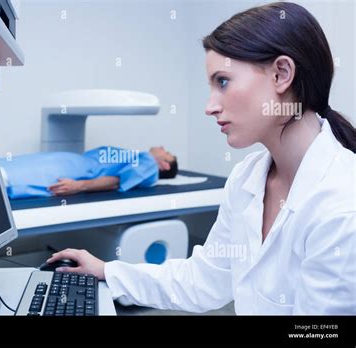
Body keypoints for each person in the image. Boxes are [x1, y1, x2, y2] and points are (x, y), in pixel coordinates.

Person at [46, 2, 356, 314]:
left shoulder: (342, 205)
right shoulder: (247, 177)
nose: (210, 106)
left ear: (281, 74)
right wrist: (108, 272)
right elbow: (205, 279)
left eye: (222, 81)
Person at [0, 146, 178, 198]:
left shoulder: (149, 165)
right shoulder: (144, 161)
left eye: (167, 153)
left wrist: (78, 186)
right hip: (74, 161)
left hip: (77, 169)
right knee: (23, 164)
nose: (162, 147)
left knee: (21, 173)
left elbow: (117, 181)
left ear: (165, 165)